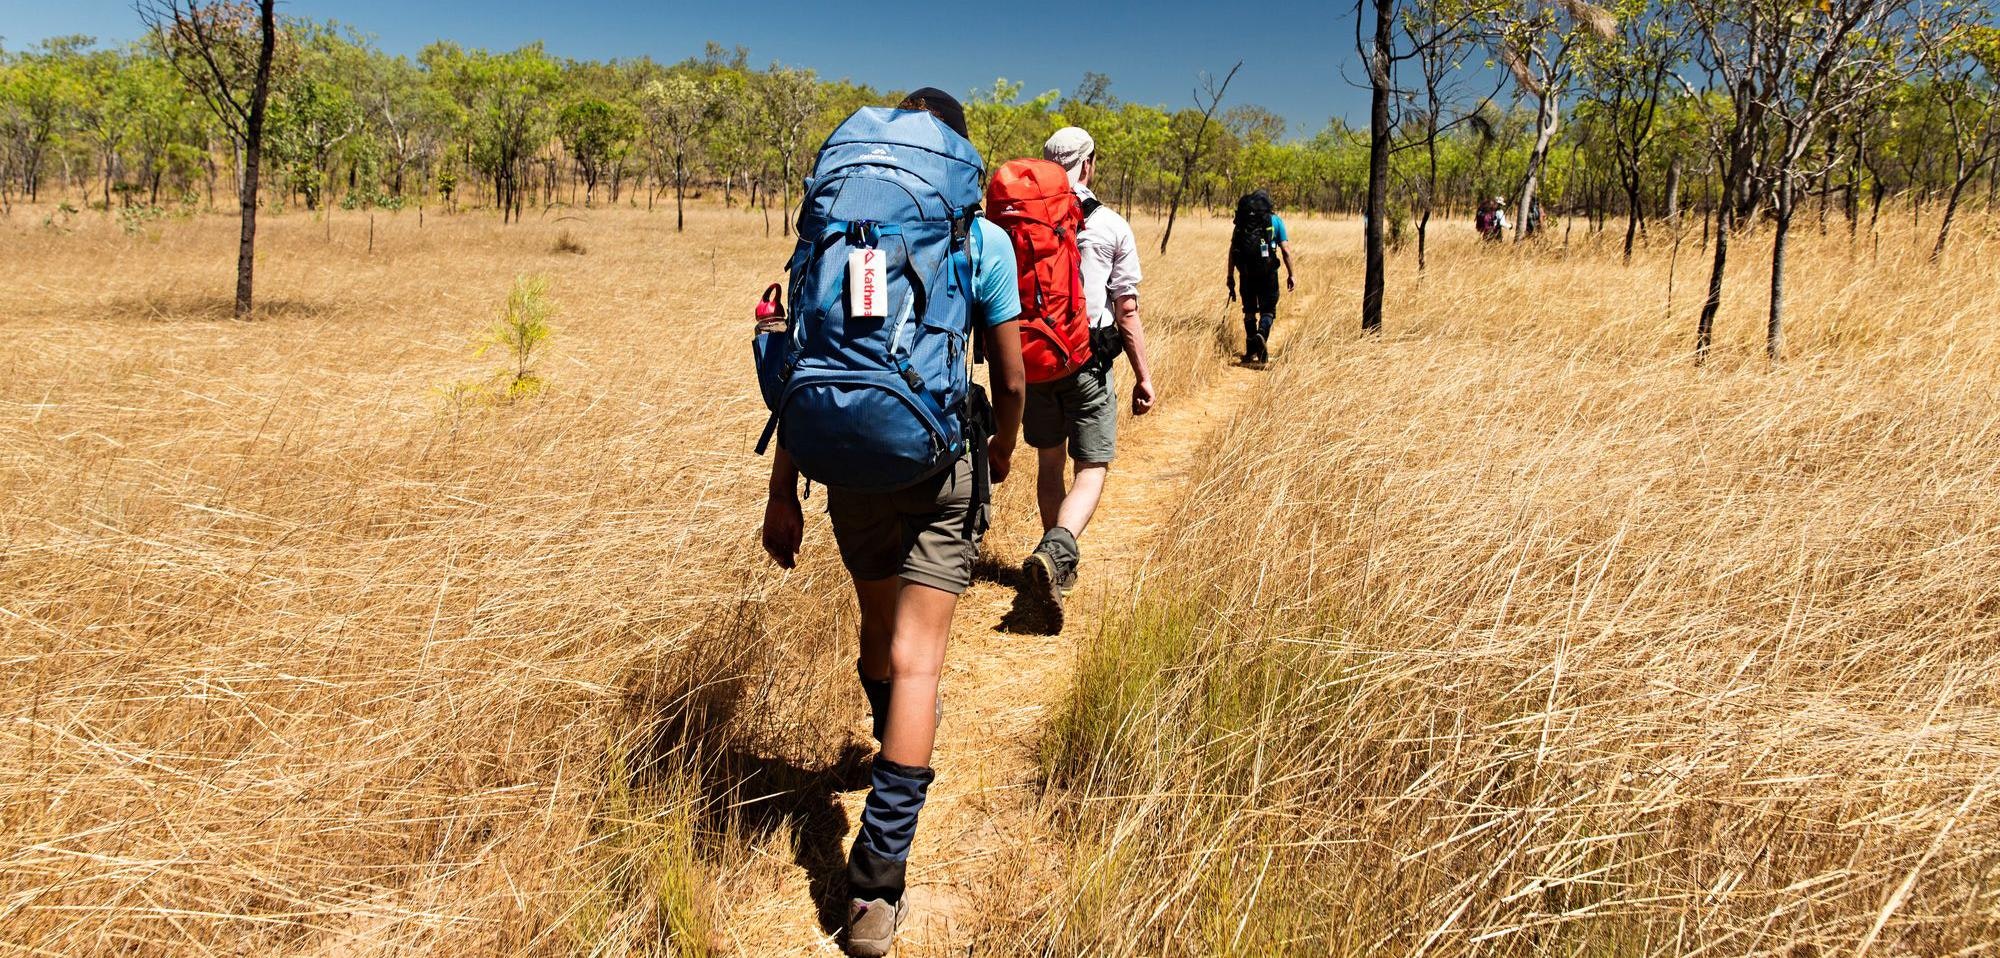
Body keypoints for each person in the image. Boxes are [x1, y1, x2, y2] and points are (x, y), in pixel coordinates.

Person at [757, 87, 1027, 958]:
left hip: (843, 462)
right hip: (940, 459)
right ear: (958, 155)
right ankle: (875, 885)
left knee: (880, 636)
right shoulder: (978, 239)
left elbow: (811, 360)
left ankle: (882, 744)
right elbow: (1013, 378)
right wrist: (1003, 449)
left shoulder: (833, 233)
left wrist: (780, 491)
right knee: (921, 661)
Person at [1017, 126, 1156, 629]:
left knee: (1049, 464)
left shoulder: (1021, 221)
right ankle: (1057, 554)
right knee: (1091, 468)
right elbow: (1127, 312)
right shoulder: (1112, 225)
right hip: (1086, 363)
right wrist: (1143, 375)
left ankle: (1055, 563)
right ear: (1089, 163)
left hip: (1033, 362)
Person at [1225, 189, 1294, 364]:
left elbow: (1233, 251)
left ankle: (1250, 351)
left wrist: (1230, 276)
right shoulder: (1276, 221)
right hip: (1268, 273)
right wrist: (1291, 274)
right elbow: (1285, 250)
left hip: (1246, 273)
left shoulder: (1242, 223)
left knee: (1248, 311)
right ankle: (1261, 334)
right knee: (1268, 310)